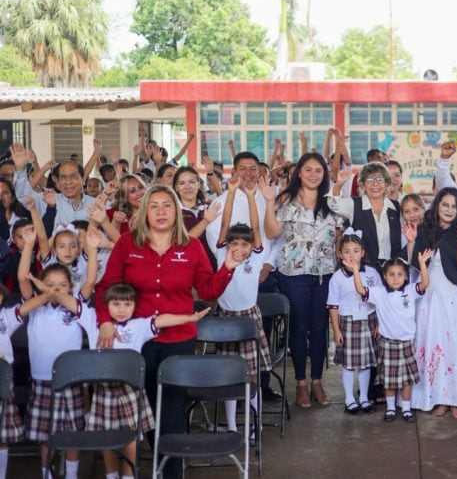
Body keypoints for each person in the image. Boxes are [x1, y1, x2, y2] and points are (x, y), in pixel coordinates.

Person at [94, 184, 241, 479]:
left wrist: (228, 266)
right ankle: (160, 461)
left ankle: (171, 471)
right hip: (137, 339)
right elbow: (106, 287)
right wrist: (105, 321)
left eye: (167, 205)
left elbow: (208, 290)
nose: (161, 211)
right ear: (145, 211)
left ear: (176, 211)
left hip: (179, 338)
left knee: (172, 407)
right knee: (145, 405)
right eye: (154, 206)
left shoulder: (192, 247)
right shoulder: (127, 244)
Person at [89, 283, 210, 479]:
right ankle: (111, 475)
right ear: (105, 306)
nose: (121, 310)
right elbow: (74, 301)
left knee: (131, 437)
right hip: (104, 390)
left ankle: (128, 476)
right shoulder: (95, 322)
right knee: (106, 436)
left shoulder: (138, 326)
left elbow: (161, 320)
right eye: (116, 304)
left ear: (134, 307)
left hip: (130, 390)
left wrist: (190, 318)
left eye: (127, 305)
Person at [262, 152, 346, 409]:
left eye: (317, 171)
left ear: (324, 175)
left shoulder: (331, 201)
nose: (312, 175)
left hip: (325, 274)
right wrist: (268, 202)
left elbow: (339, 237)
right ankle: (300, 383)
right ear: (299, 172)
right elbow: (271, 232)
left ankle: (317, 382)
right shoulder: (285, 199)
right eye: (307, 170)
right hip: (293, 275)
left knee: (320, 328)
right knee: (299, 329)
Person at [20, 262, 97, 479]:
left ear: (71, 287)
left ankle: (71, 475)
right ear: (39, 286)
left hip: (70, 381)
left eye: (62, 285)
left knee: (72, 434)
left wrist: (91, 251)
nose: (55, 289)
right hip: (42, 379)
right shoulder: (36, 308)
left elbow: (90, 281)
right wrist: (27, 246)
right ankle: (47, 474)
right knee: (46, 435)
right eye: (49, 284)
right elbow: (21, 280)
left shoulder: (76, 308)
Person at [410, 187, 457, 418]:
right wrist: (411, 243)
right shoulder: (424, 229)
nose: (449, 210)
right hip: (433, 292)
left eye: (453, 206)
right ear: (437, 205)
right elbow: (415, 263)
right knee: (435, 341)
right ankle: (438, 397)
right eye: (445, 205)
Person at [215, 177, 271, 434]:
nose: (239, 248)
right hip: (225, 320)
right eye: (233, 243)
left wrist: (250, 196)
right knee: (227, 377)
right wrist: (231, 193)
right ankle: (232, 426)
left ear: (252, 246)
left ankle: (254, 423)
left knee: (252, 376)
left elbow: (257, 228)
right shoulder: (221, 255)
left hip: (249, 319)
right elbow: (225, 224)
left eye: (244, 244)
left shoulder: (256, 257)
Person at [349, 253, 432, 423]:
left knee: (407, 379)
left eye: (400, 274)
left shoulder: (410, 291)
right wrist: (356, 271)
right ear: (384, 276)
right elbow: (360, 290)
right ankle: (391, 408)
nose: (395, 279)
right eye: (391, 275)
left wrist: (422, 264)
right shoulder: (379, 293)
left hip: (407, 343)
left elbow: (424, 283)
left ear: (406, 276)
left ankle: (407, 409)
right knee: (389, 380)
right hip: (387, 344)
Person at [327, 229, 381, 415]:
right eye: (347, 251)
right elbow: (333, 306)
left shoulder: (372, 273)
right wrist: (336, 330)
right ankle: (349, 398)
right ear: (340, 253)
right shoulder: (337, 278)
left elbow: (381, 300)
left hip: (369, 320)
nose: (352, 255)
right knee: (349, 364)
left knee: (366, 363)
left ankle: (364, 397)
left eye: (356, 250)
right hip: (348, 322)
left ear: (363, 252)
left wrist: (379, 324)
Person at [10, 144, 94, 225]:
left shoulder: (95, 203)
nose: (68, 182)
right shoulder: (47, 200)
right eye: (63, 177)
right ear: (57, 181)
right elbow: (24, 196)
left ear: (83, 179)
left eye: (73, 176)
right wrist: (20, 169)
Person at [0, 284, 22, 479]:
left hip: (3, 381)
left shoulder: (6, 316)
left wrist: (48, 292)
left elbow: (28, 305)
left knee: (1, 435)